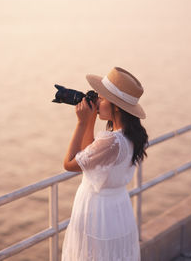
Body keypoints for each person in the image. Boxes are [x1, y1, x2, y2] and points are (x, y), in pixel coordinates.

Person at [61, 67, 148, 261]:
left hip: (97, 213)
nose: (97, 102)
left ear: (116, 106)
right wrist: (90, 121)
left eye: (101, 97)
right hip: (117, 208)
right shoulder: (131, 136)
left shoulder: (111, 141)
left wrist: (82, 123)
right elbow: (91, 157)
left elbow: (68, 163)